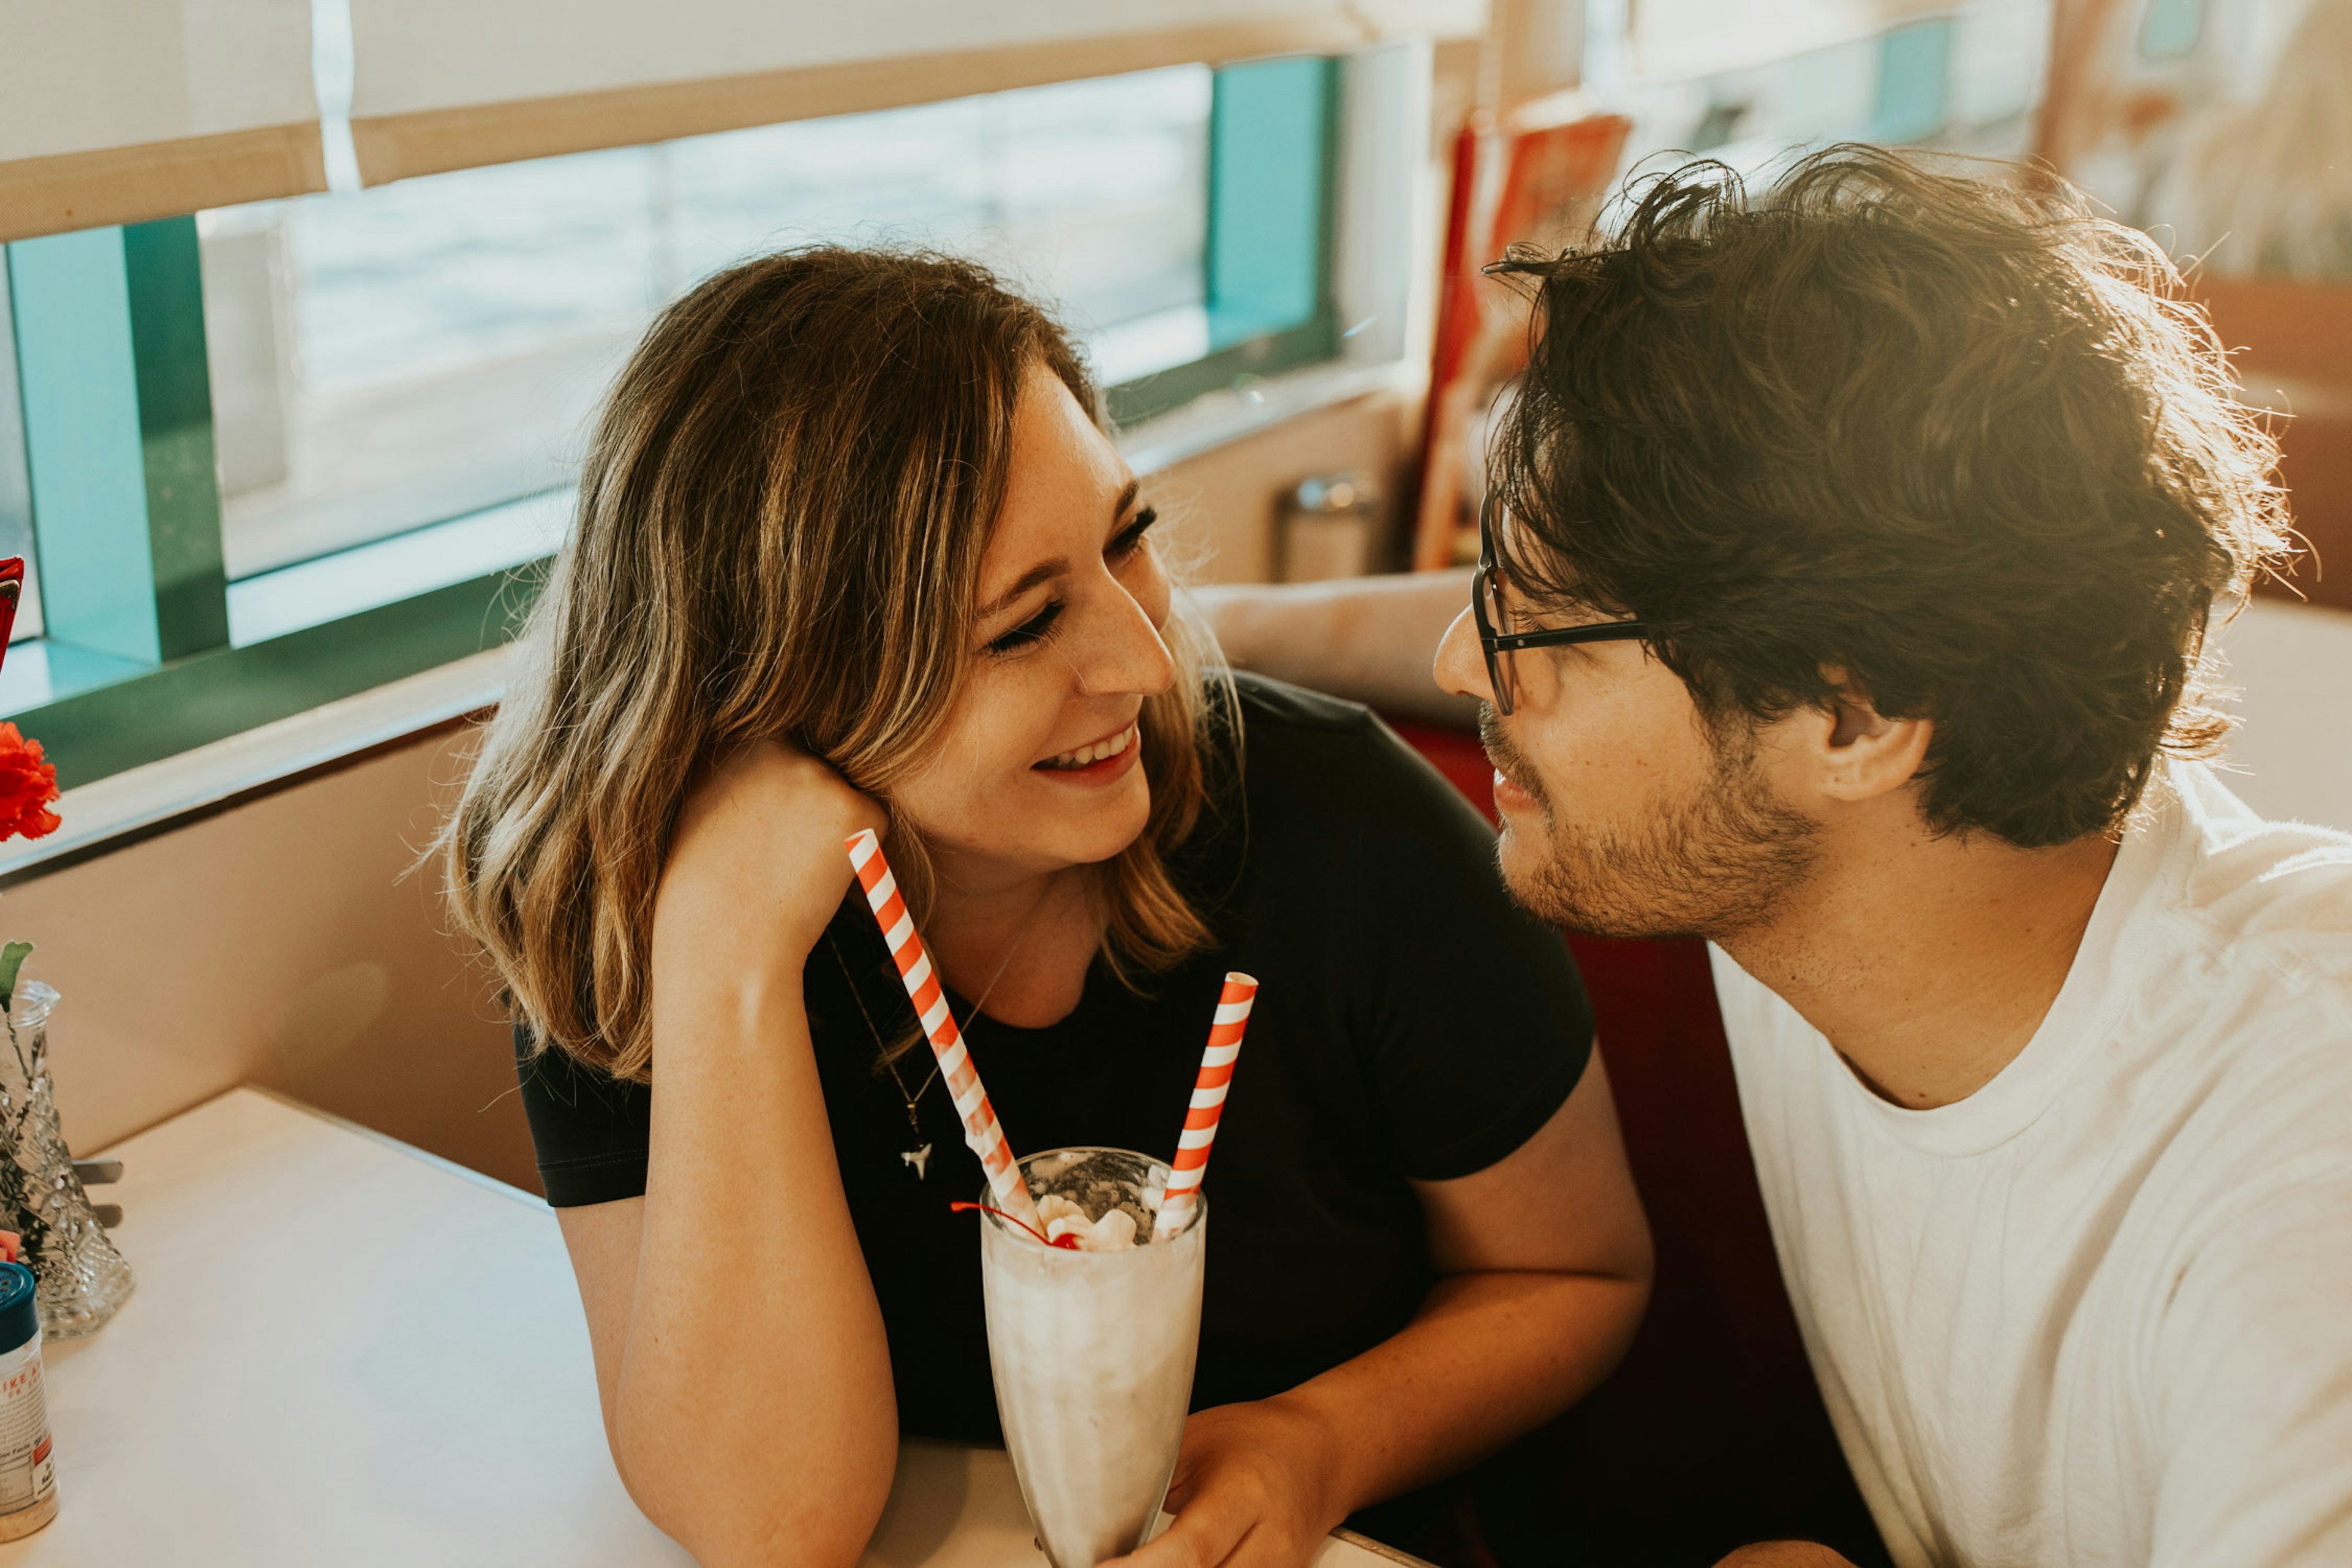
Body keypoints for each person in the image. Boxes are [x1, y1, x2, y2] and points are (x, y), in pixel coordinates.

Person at [1212, 146, 2352, 1568]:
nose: (1466, 660)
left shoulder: (2297, 1186)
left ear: (1849, 718)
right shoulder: (1863, 846)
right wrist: (1185, 634)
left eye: (1528, 620)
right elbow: (1507, 639)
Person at [435, 247, 1653, 1568]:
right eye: (1023, 628)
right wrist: (729, 960)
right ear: (781, 690)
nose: (1143, 657)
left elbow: (1577, 1275)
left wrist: (1324, 1439)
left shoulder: (1341, 823)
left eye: (1126, 539)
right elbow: (769, 1525)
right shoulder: (628, 926)